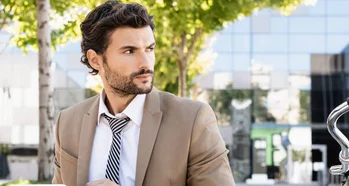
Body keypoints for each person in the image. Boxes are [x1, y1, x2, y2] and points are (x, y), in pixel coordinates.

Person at [51, 1, 234, 186]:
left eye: (149, 49)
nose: (146, 63)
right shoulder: (67, 123)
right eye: (129, 51)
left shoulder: (193, 121)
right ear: (95, 60)